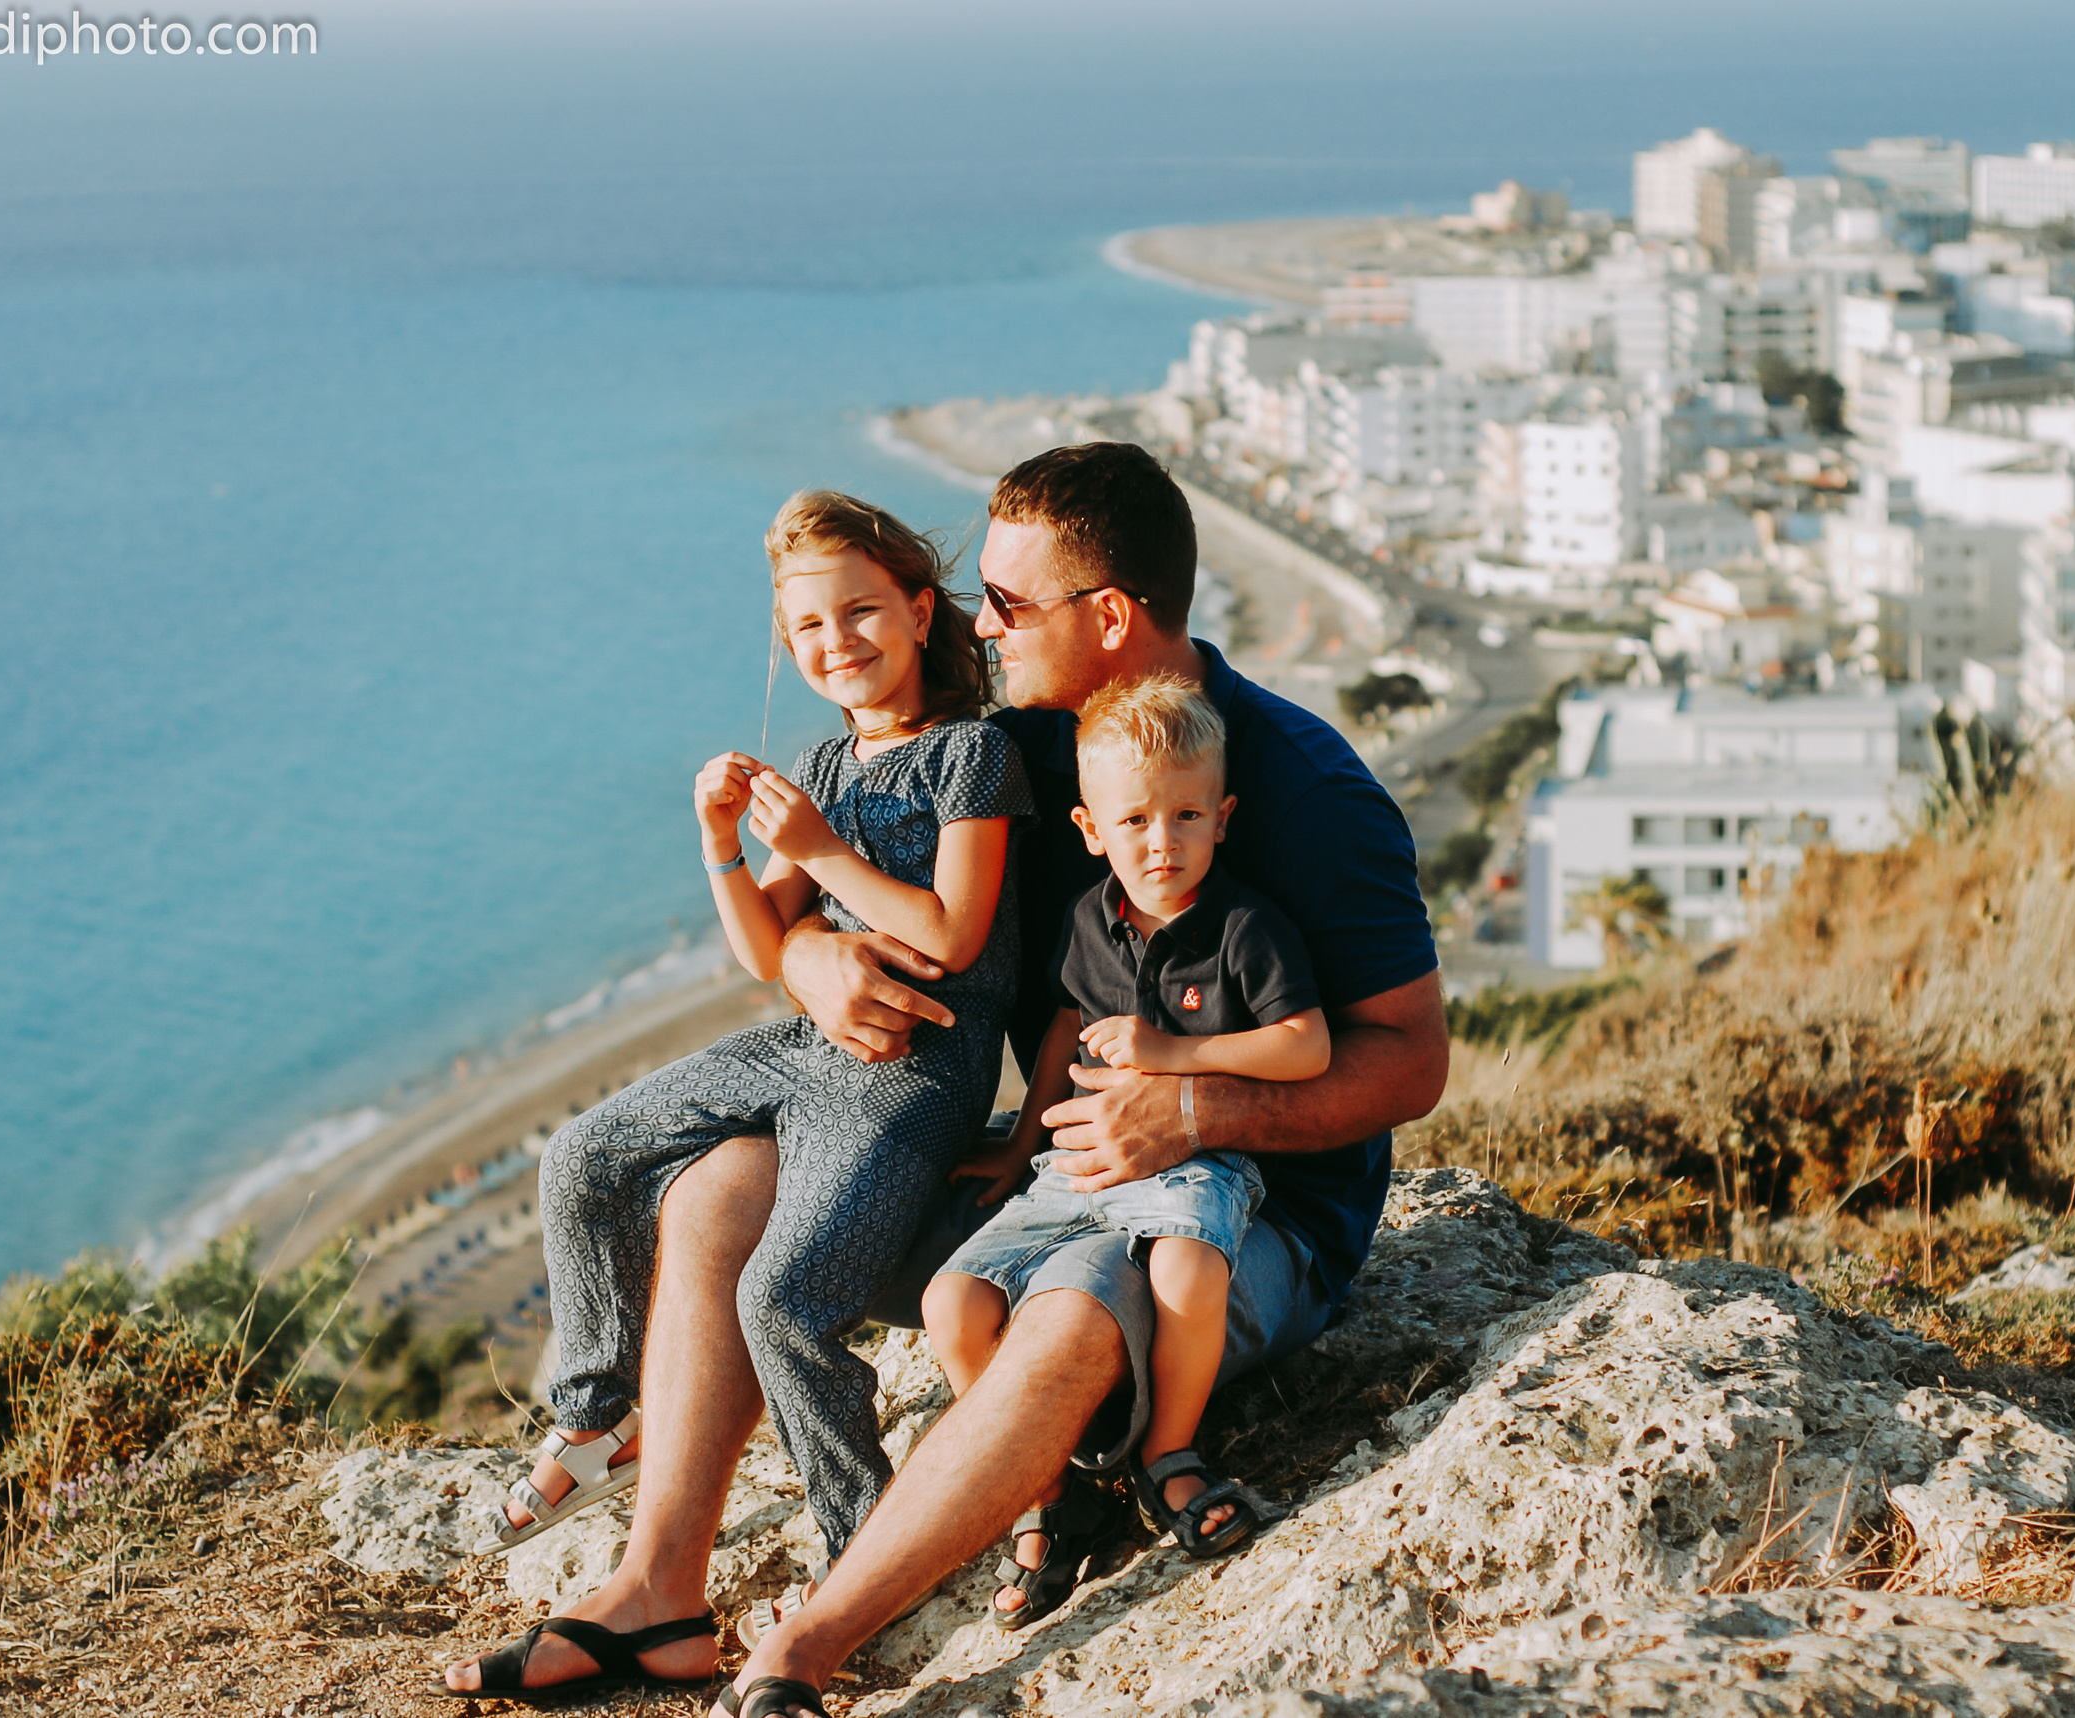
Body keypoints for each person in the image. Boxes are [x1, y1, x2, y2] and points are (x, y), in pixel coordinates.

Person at [442, 442, 1444, 1712]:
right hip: (1038, 1160)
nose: (979, 623)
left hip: (1244, 1212)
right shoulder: (1020, 748)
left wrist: (1194, 1105)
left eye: (1010, 605)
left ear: (1113, 617)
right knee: (715, 1190)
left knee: (1071, 1311)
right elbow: (898, 900)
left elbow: (1412, 1062)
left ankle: (805, 1647)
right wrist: (807, 954)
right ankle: (658, 1595)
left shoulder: (1305, 794)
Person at [445, 490, 1030, 1701]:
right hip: (799, 1041)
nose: (837, 644)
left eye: (861, 611)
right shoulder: (820, 759)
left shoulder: (974, 752)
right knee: (586, 1154)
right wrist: (720, 842)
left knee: (783, 1297)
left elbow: (957, 935)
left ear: (921, 610)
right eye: (807, 628)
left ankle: (860, 1548)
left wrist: (818, 850)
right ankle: (598, 1415)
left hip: (912, 1073)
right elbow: (768, 948)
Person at [926, 672, 1328, 1584]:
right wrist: (1022, 1143)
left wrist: (1170, 1054)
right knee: (953, 1305)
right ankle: (1040, 1489)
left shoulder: (1244, 928)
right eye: (1136, 821)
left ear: (1222, 817)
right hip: (1076, 1164)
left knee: (1187, 1265)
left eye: (1186, 816)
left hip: (1196, 1157)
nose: (1162, 843)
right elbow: (1067, 1025)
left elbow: (1305, 1047)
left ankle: (1168, 1457)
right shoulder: (1088, 918)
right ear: (1089, 830)